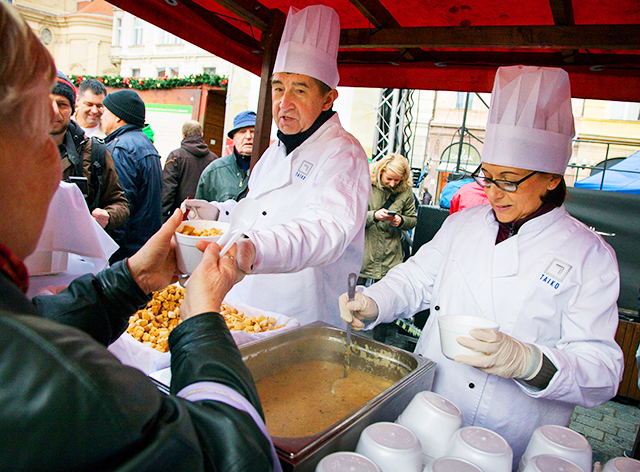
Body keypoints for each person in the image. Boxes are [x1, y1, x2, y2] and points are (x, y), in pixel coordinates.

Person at [0, 1, 279, 471]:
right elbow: (234, 457)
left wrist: (130, 280)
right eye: (45, 132)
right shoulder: (62, 388)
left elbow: (23, 326)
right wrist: (200, 322)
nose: (59, 164)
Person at [339, 65, 623, 469]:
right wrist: (374, 301)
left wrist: (530, 362)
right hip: (430, 411)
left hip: (511, 430)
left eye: (508, 181)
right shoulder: (464, 224)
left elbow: (604, 370)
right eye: (486, 177)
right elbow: (417, 278)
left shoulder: (588, 255)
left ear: (550, 178)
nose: (492, 192)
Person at [185, 5, 371, 328]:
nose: (284, 104)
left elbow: (326, 230)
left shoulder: (345, 154)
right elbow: (256, 210)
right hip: (249, 306)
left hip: (303, 318)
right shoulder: (276, 150)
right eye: (278, 88)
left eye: (299, 90)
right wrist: (217, 214)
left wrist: (257, 248)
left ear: (328, 99)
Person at [50, 71, 130, 230]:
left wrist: (107, 216)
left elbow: (120, 204)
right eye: (46, 102)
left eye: (62, 104)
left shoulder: (94, 150)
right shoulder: (17, 150)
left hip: (75, 249)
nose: (54, 111)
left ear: (72, 108)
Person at [101, 89, 163, 263]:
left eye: (105, 111)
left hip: (125, 254)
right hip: (144, 248)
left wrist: (110, 255)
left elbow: (121, 204)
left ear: (117, 117)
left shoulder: (121, 149)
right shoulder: (146, 144)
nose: (101, 116)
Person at [359, 153, 417, 286]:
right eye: (389, 178)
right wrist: (374, 216)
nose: (392, 184)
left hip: (390, 258)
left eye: (397, 180)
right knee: (354, 300)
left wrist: (400, 221)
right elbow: (352, 218)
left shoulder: (405, 191)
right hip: (363, 257)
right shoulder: (366, 183)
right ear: (381, 171)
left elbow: (412, 220)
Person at [162, 119, 218, 219]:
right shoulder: (214, 159)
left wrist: (164, 216)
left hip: (180, 216)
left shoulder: (175, 156)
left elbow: (168, 189)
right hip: (206, 218)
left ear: (183, 135)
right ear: (201, 134)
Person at [195, 110, 256, 202]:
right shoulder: (214, 171)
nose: (248, 136)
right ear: (233, 137)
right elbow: (199, 211)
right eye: (242, 131)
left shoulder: (270, 169)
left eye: (253, 131)